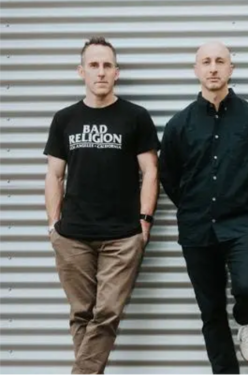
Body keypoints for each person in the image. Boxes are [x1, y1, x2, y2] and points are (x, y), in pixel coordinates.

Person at [159, 41, 248, 375]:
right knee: (211, 311)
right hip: (197, 228)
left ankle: (246, 318)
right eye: (206, 62)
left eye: (219, 61)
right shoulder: (178, 125)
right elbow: (168, 175)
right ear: (196, 70)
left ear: (231, 68)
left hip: (243, 224)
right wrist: (192, 205)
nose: (213, 68)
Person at [43, 36, 160, 375]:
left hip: (122, 236)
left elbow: (151, 171)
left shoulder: (135, 117)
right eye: (93, 65)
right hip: (72, 235)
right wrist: (53, 225)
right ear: (81, 71)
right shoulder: (64, 119)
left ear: (117, 72)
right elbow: (54, 174)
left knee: (107, 313)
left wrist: (144, 221)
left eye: (107, 65)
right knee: (81, 314)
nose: (101, 72)